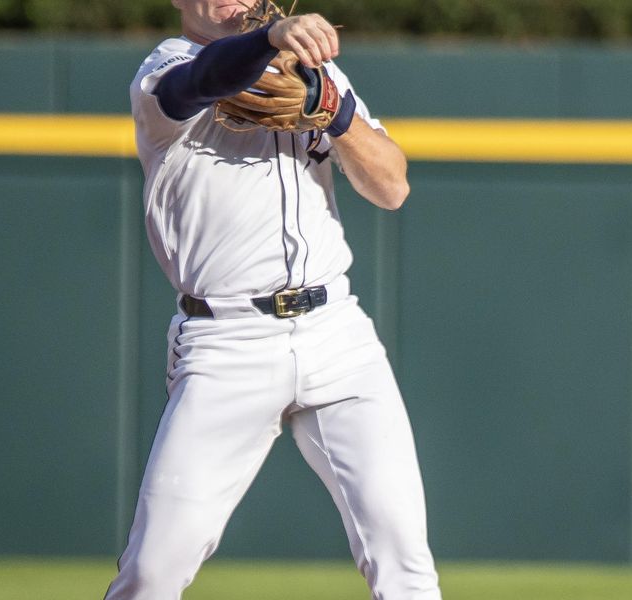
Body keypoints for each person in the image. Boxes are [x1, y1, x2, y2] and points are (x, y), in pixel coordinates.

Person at [105, 1, 442, 598]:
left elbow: (392, 186)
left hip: (337, 334)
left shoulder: (316, 73)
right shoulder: (165, 68)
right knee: (152, 574)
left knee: (404, 560)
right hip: (226, 343)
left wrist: (334, 113)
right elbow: (203, 81)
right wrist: (269, 37)